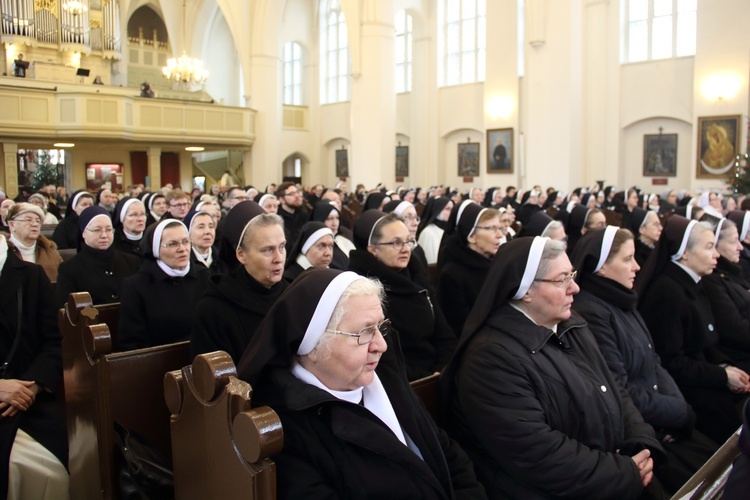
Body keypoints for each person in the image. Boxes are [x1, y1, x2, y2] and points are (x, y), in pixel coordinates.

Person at [441, 236, 665, 498]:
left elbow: (613, 388)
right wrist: (622, 471)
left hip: (608, 473)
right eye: (562, 280)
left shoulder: (571, 324)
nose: (575, 288)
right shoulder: (490, 359)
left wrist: (641, 443)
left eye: (572, 275)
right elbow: (538, 454)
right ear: (525, 290)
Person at [236, 268, 486, 499]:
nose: (382, 345)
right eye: (364, 332)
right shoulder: (286, 430)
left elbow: (446, 453)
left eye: (381, 327)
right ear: (313, 346)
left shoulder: (386, 379)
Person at [572, 226, 719, 494]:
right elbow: (620, 389)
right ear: (601, 267)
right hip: (643, 433)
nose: (637, 266)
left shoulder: (622, 299)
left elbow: (654, 362)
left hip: (665, 419)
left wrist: (679, 408)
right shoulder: (591, 313)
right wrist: (678, 413)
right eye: (627, 259)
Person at [637, 216, 750, 444]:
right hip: (686, 390)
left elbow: (707, 342)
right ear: (684, 252)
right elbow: (672, 362)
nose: (716, 254)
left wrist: (727, 367)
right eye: (709, 247)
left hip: (704, 374)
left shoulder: (693, 282)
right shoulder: (667, 293)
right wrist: (723, 376)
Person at [0, 233, 69, 499]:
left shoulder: (30, 277)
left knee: (52, 468)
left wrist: (31, 386)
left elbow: (54, 342)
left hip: (29, 397)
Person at [349, 211, 456, 380]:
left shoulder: (417, 275)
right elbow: (381, 356)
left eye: (408, 241)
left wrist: (443, 367)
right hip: (403, 380)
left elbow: (443, 332)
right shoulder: (361, 290)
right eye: (396, 243)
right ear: (373, 249)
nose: (406, 249)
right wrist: (427, 379)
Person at [191, 201, 288, 364]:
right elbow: (214, 381)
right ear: (241, 255)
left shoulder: (294, 295)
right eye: (268, 250)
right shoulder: (214, 308)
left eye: (282, 247)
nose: (279, 258)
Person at [117, 220, 210, 350]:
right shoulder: (136, 286)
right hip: (158, 365)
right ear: (155, 249)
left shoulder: (205, 276)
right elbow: (132, 344)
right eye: (172, 244)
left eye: (185, 241)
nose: (182, 249)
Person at [55, 206, 140, 307]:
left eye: (108, 230)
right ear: (83, 233)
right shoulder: (69, 269)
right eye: (97, 230)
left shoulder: (132, 261)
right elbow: (69, 311)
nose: (104, 235)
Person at [438, 204, 501, 336]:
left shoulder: (497, 264)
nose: (499, 235)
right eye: (492, 229)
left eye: (499, 228)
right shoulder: (452, 275)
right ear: (472, 236)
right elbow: (461, 327)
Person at [703, 218, 750, 373]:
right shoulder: (712, 280)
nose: (740, 247)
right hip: (737, 358)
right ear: (715, 245)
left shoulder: (731, 271)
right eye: (733, 241)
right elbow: (733, 328)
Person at [6, 203, 62, 282]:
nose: (35, 224)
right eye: (28, 220)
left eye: (37, 221)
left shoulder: (50, 252)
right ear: (12, 225)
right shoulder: (3, 251)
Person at [310, 201, 355, 270]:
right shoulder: (313, 245)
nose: (334, 223)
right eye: (329, 219)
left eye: (337, 218)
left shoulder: (343, 238)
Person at [183, 209, 226, 275]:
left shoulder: (223, 258)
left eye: (211, 226)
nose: (207, 231)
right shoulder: (183, 261)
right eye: (201, 227)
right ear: (188, 233)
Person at [416, 197, 453, 265]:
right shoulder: (428, 233)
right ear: (437, 210)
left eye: (452, 209)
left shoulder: (451, 229)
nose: (451, 212)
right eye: (447, 209)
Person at [276, 182, 308, 253]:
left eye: (297, 192)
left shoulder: (303, 214)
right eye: (291, 194)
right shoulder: (277, 219)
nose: (297, 196)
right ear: (281, 199)